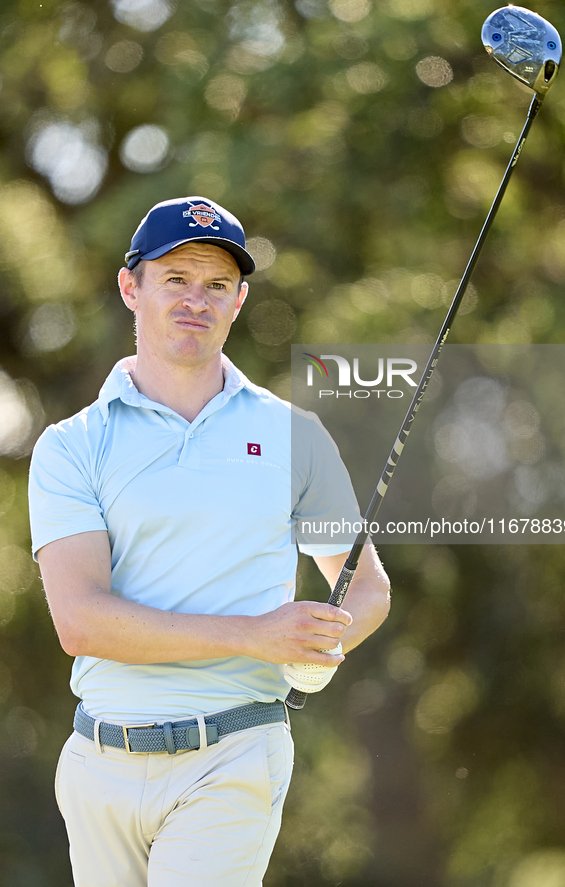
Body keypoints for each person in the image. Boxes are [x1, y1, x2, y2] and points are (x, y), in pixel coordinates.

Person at [28, 196, 390, 887]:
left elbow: (366, 584)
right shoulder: (72, 446)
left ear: (239, 300)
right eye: (176, 279)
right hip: (98, 762)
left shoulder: (292, 435)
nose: (197, 300)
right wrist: (256, 634)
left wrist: (324, 639)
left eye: (217, 285)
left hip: (233, 752)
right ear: (131, 287)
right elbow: (80, 620)